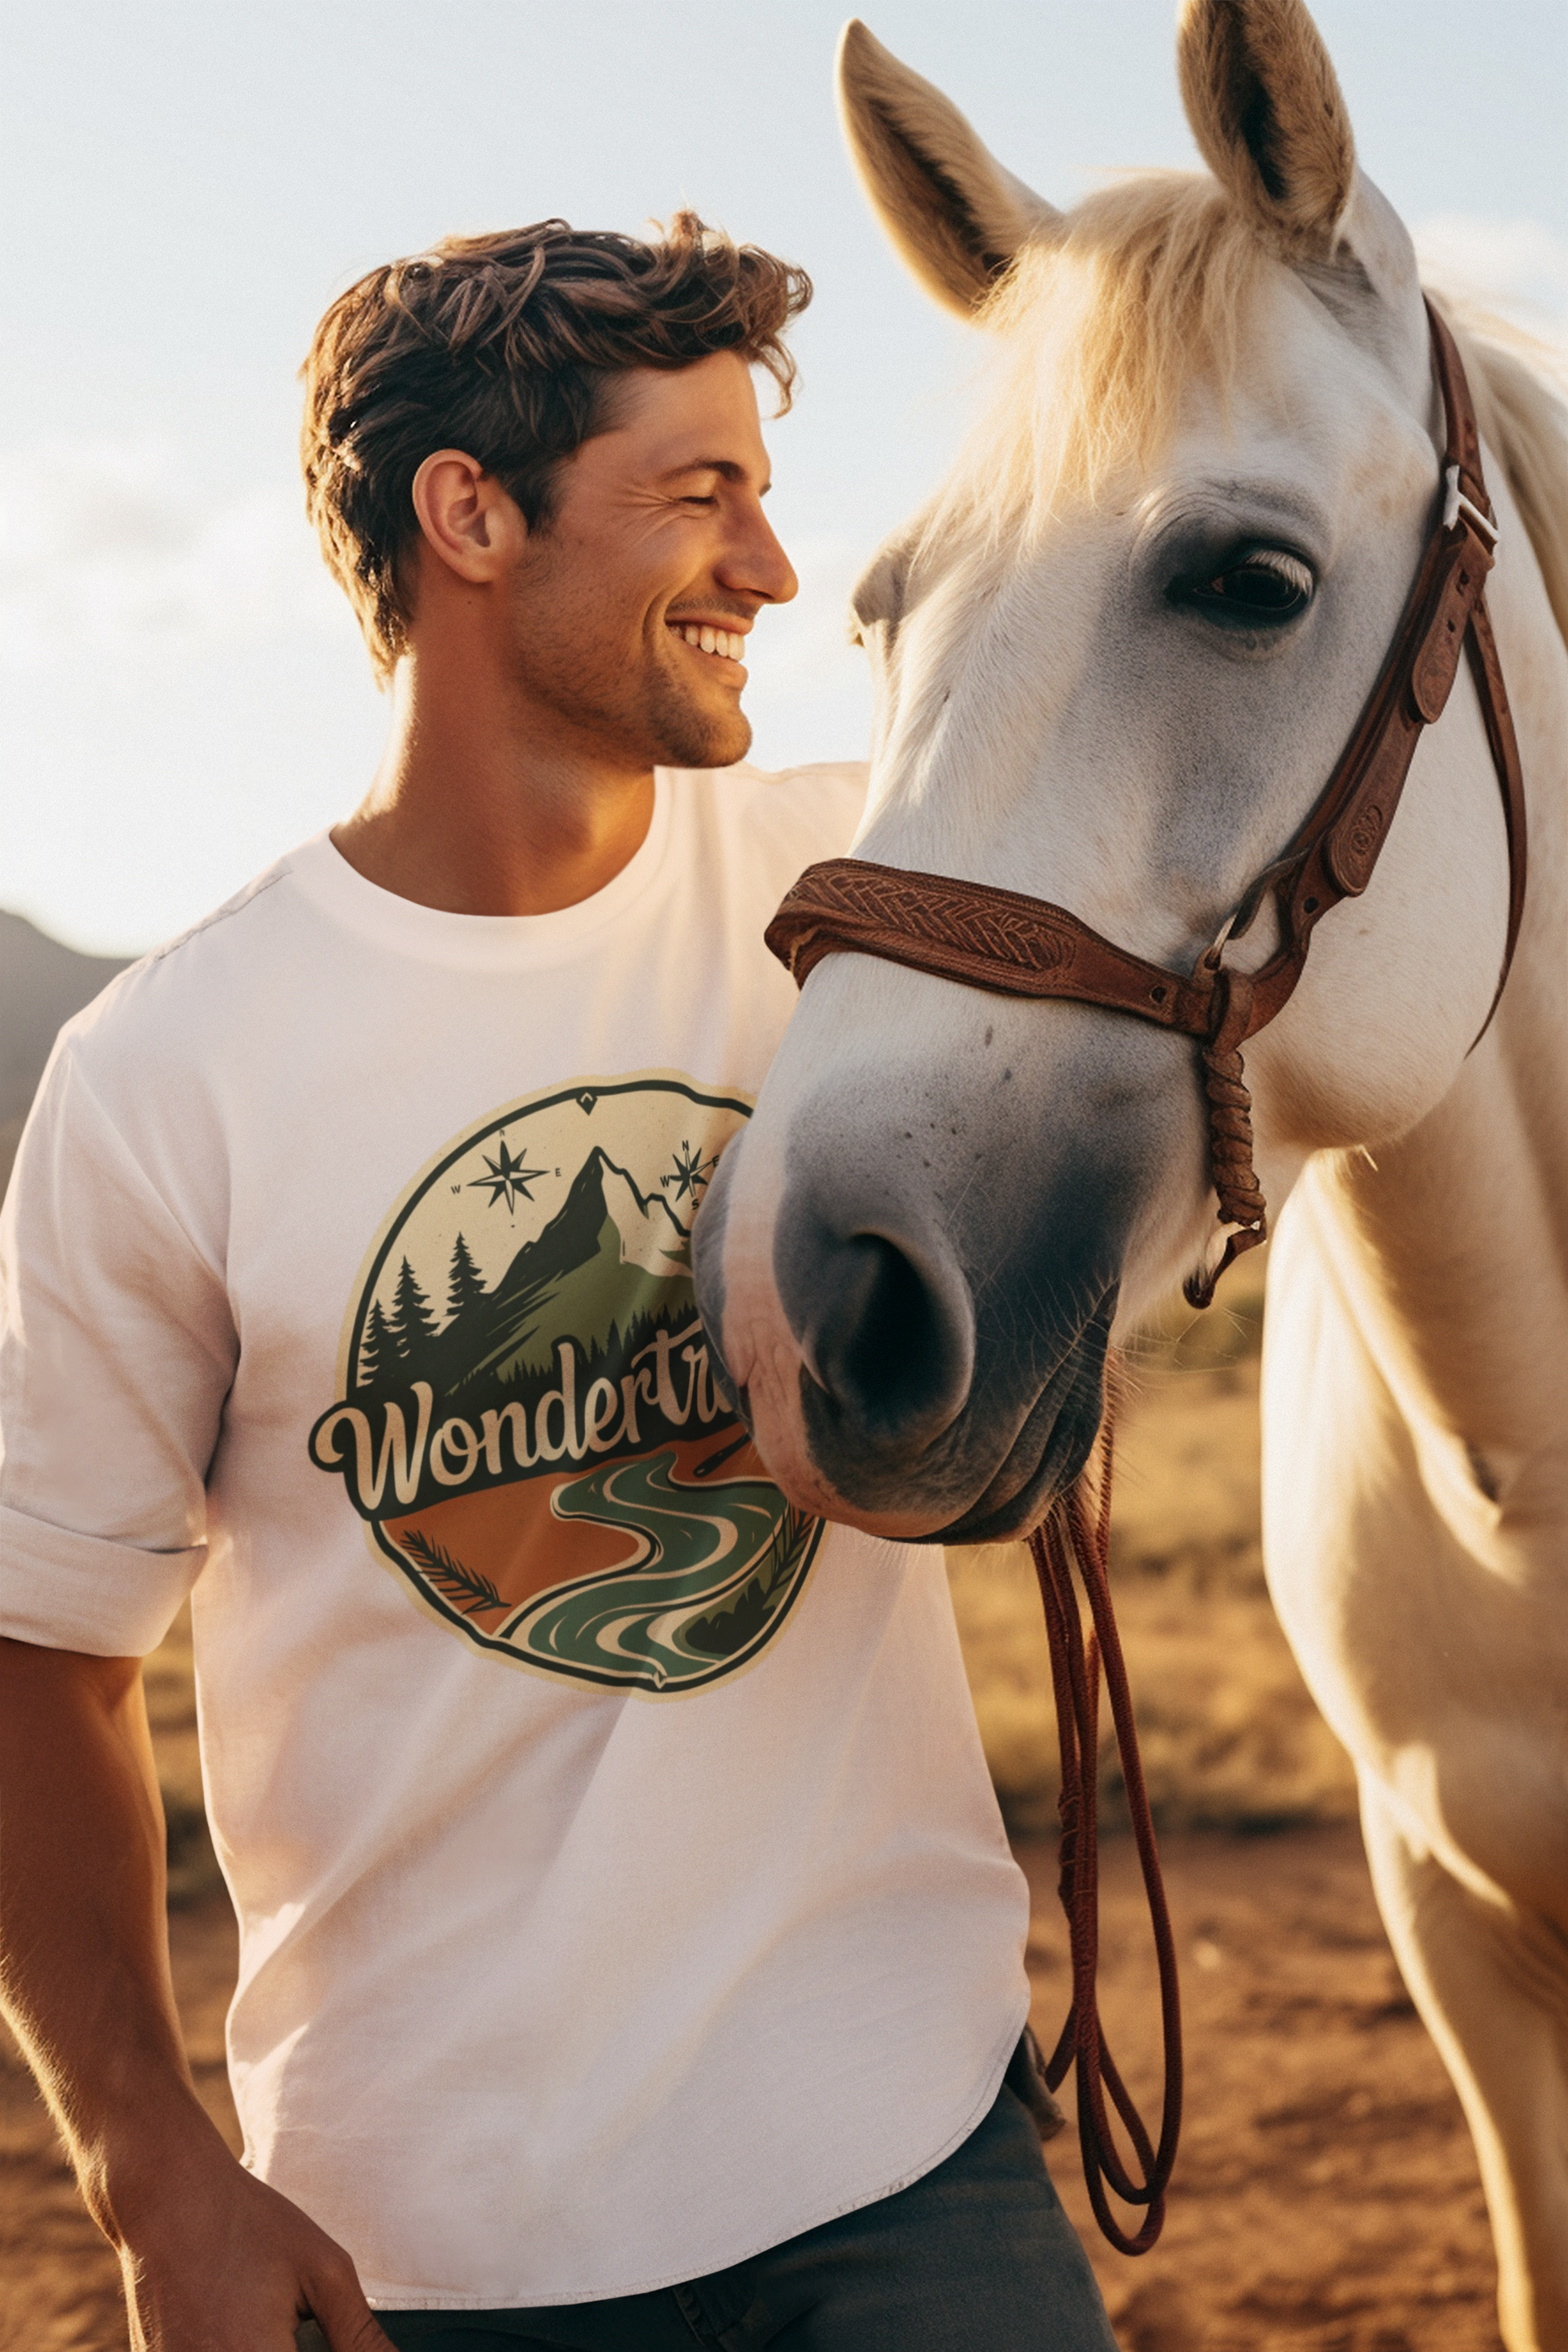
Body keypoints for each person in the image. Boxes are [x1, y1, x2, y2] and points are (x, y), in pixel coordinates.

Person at [0, 214, 1116, 2351]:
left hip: (912, 2157)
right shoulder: (169, 1074)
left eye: (768, 496)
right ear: (469, 515)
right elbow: (42, 1650)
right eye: (701, 494)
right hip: (440, 2242)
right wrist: (151, 2169)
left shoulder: (858, 899)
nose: (775, 569)